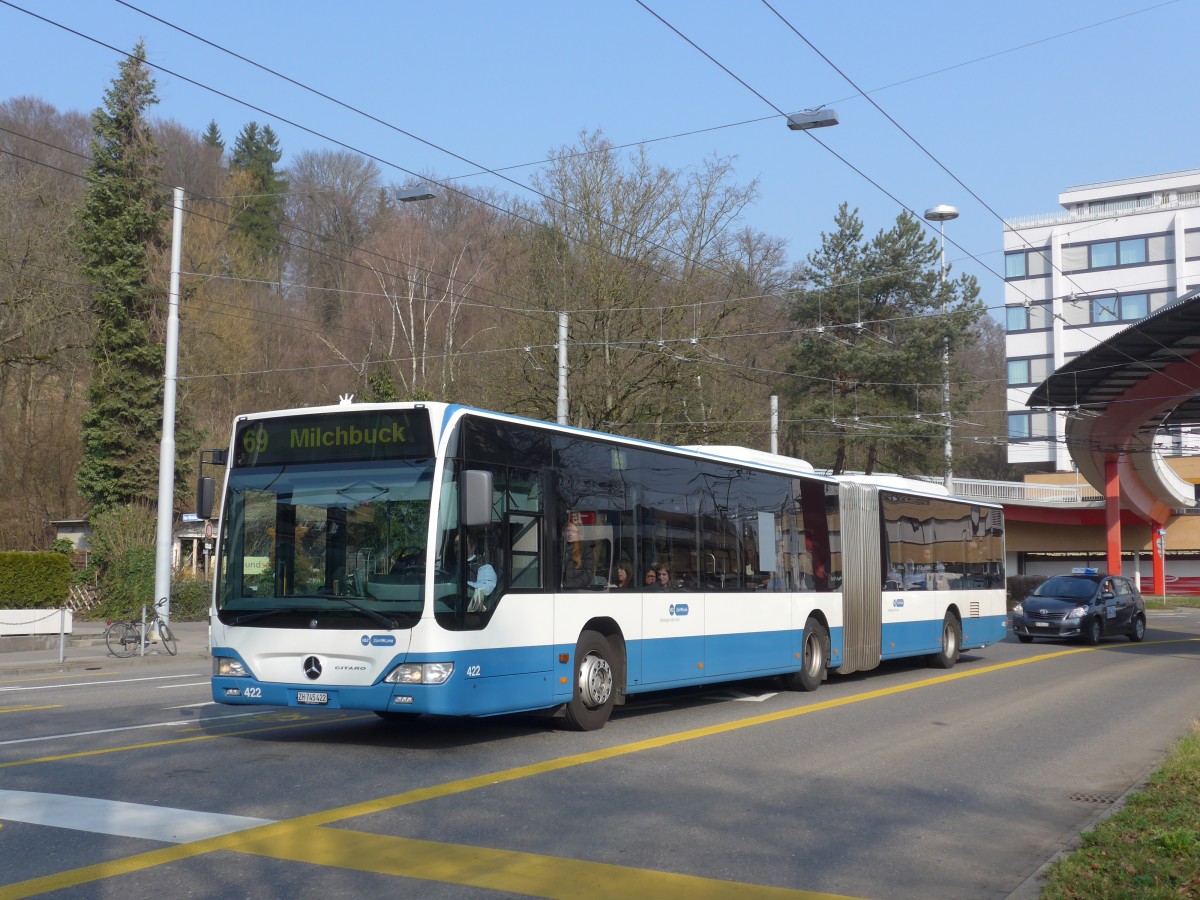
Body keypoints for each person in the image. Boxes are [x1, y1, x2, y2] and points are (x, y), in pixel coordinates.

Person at [562, 513, 596, 590]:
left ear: (579, 533)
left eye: (573, 531)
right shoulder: (561, 547)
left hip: (577, 591)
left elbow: (588, 575)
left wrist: (567, 585)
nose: (570, 534)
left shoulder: (586, 548)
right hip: (560, 590)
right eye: (568, 530)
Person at [465, 532, 496, 612]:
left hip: (473, 613)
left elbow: (484, 590)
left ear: (473, 546)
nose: (458, 548)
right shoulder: (450, 566)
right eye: (456, 545)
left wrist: (462, 585)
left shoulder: (484, 566)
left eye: (461, 544)